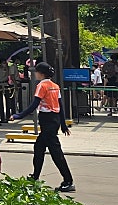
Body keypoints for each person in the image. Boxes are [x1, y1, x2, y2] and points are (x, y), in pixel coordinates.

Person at [14, 61, 74, 192]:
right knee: (39, 148)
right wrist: (63, 124)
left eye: (35, 72)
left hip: (47, 120)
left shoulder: (41, 86)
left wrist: (19, 115)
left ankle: (68, 181)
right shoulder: (55, 86)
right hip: (55, 119)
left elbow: (35, 104)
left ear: (41, 73)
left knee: (55, 152)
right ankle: (35, 177)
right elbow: (61, 106)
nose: (34, 74)